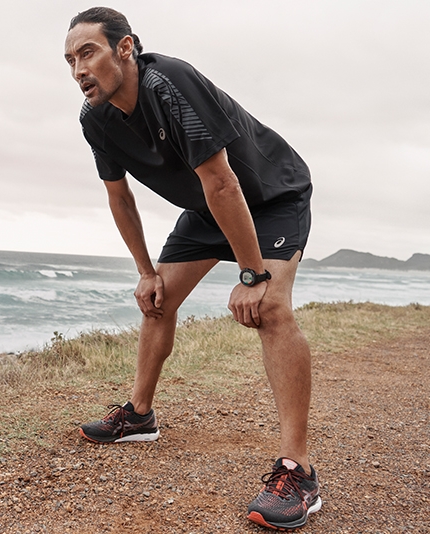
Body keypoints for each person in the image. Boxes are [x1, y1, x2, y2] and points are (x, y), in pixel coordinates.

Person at [63, 7, 321, 531]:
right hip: (209, 207)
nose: (77, 69)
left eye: (87, 52)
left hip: (271, 196)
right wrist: (145, 271)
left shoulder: (169, 82)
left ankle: (299, 472)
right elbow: (120, 199)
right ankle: (138, 415)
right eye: (69, 60)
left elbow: (223, 180)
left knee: (269, 309)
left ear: (126, 48)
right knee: (157, 300)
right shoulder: (96, 119)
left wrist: (252, 275)